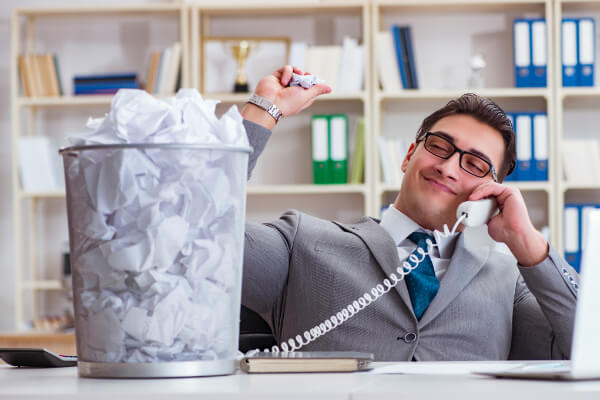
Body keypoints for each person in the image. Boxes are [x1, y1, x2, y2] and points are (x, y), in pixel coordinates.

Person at [238, 65, 579, 361]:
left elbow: (588, 351)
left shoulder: (509, 281)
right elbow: (197, 235)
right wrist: (263, 111)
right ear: (408, 156)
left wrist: (530, 245)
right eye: (439, 147)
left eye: (474, 164)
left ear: (493, 193)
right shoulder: (301, 241)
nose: (448, 168)